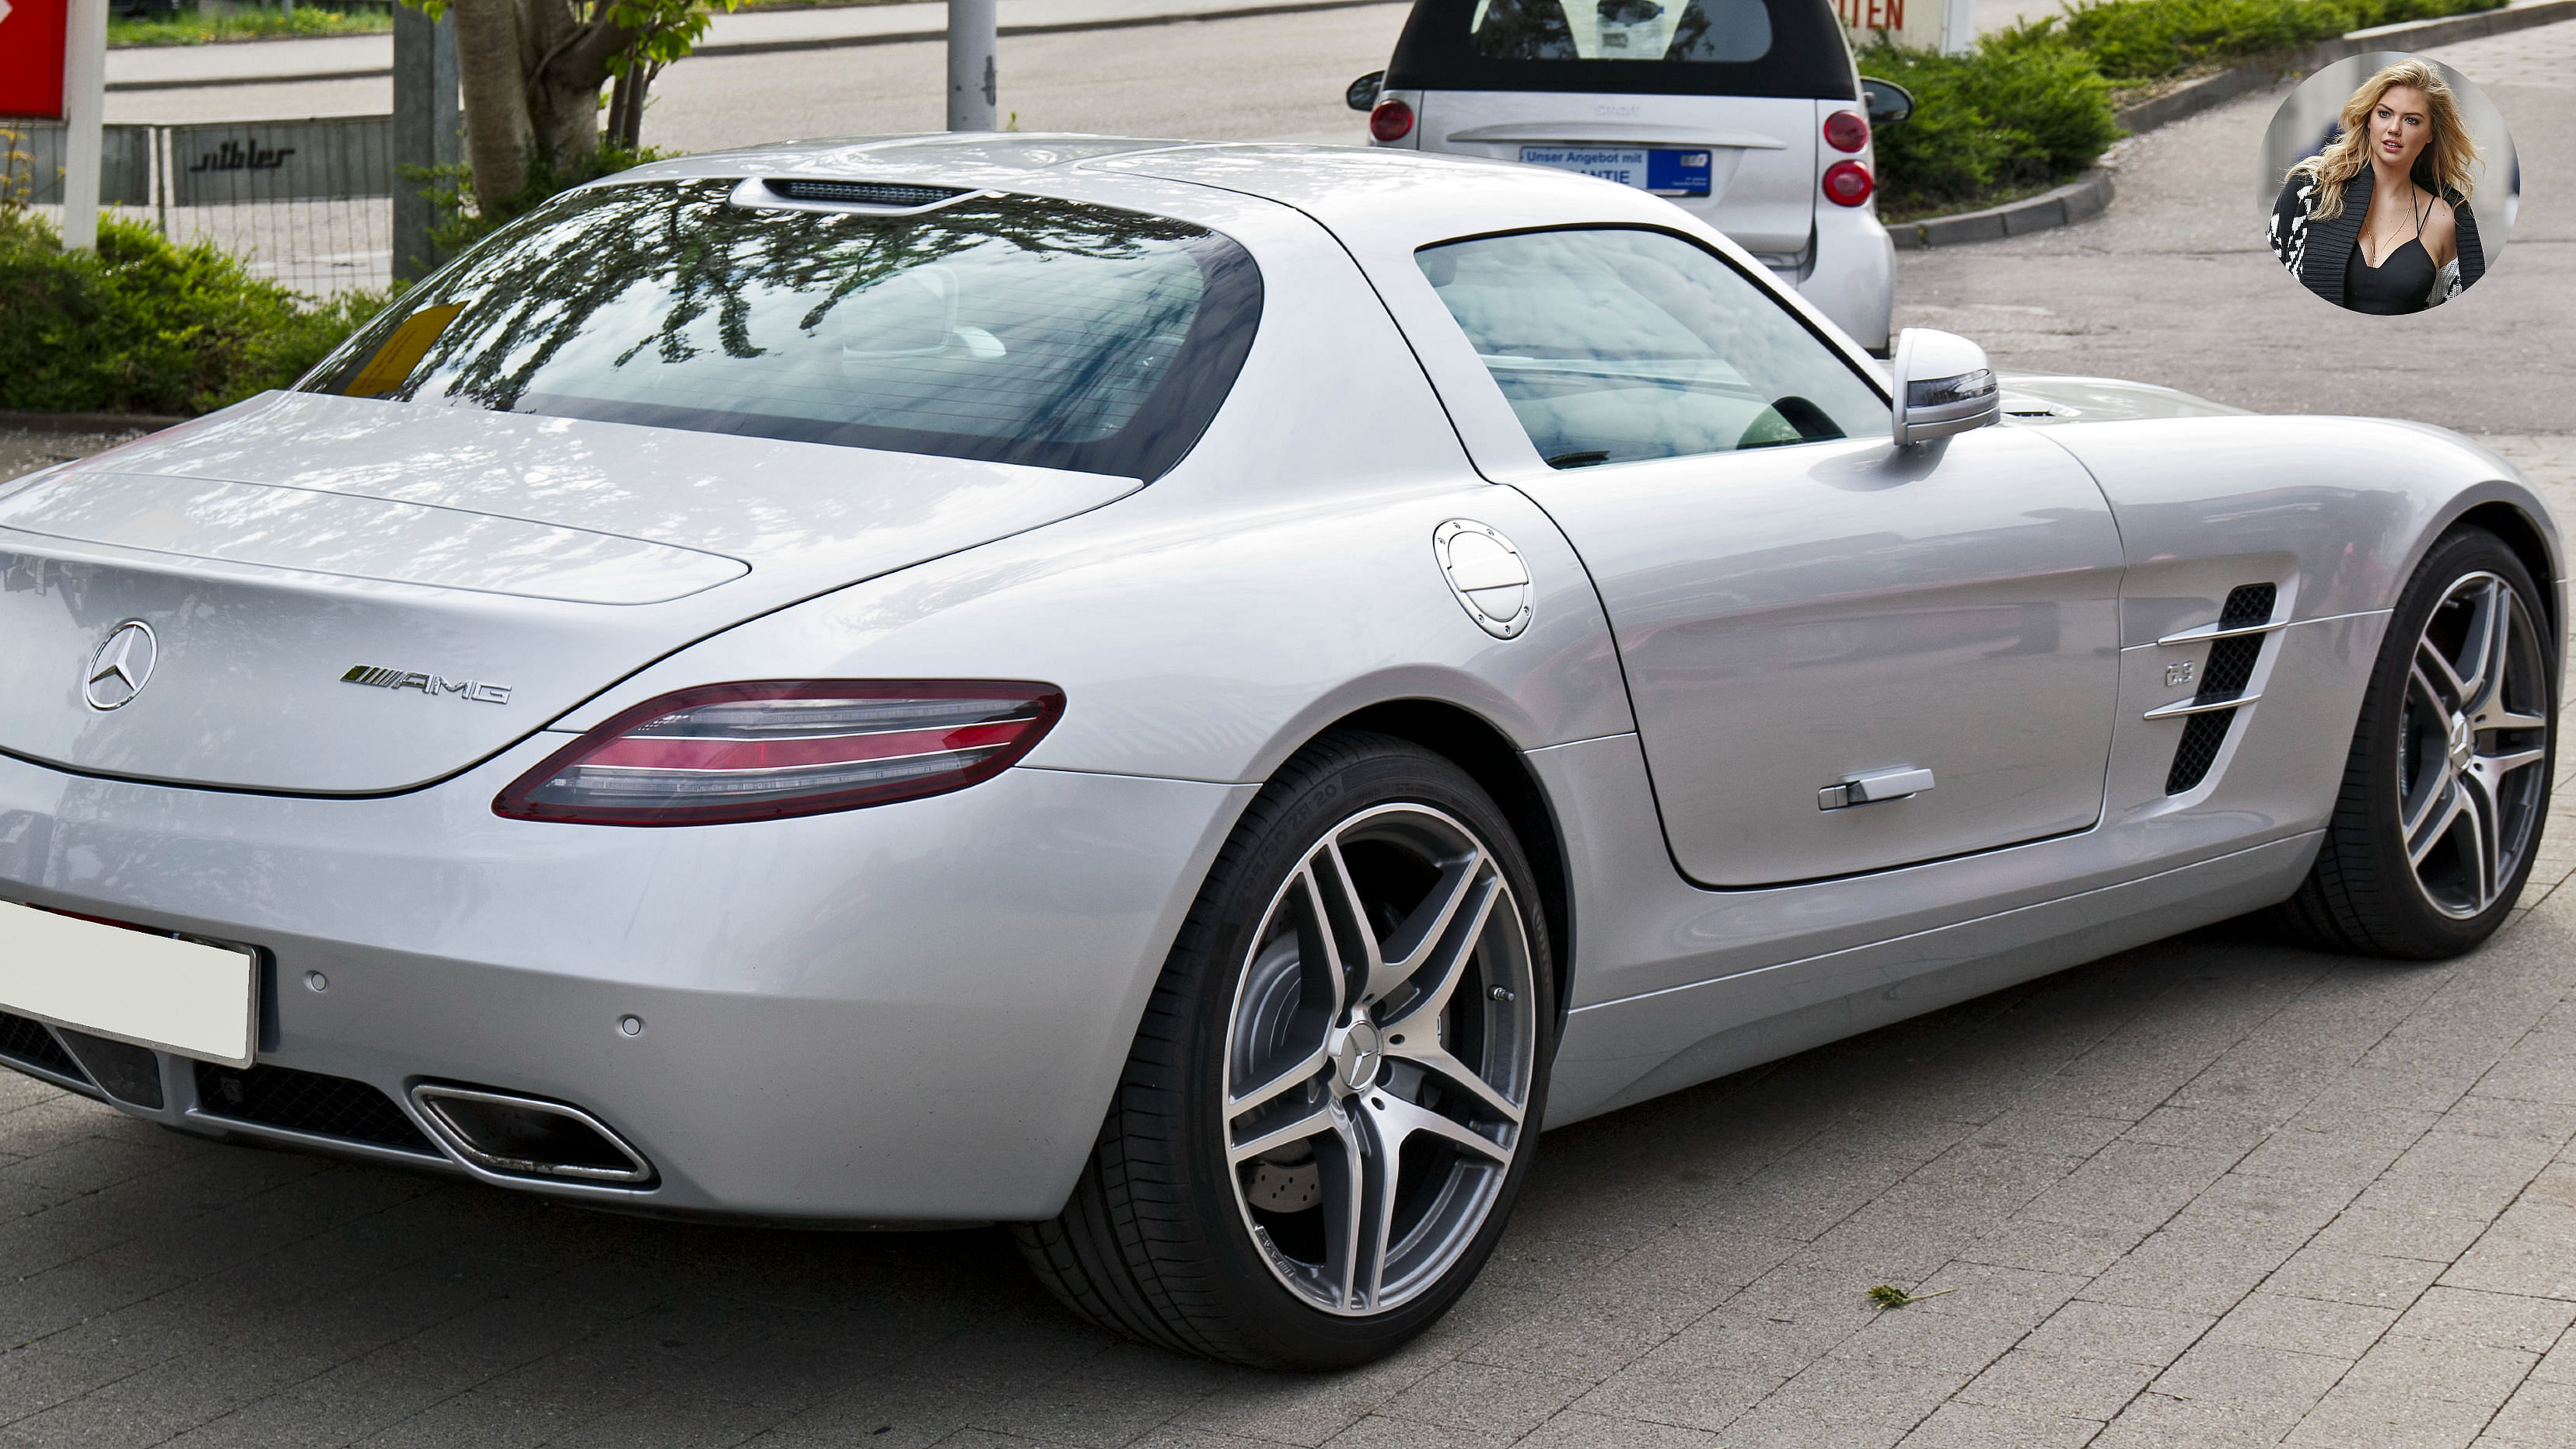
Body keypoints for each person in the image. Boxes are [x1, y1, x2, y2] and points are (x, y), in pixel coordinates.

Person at [2270, 59, 2485, 314]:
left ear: (2431, 134)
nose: (2394, 129)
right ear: (2369, 119)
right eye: (2385, 114)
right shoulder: (2310, 190)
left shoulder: (2445, 217)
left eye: (2412, 120)